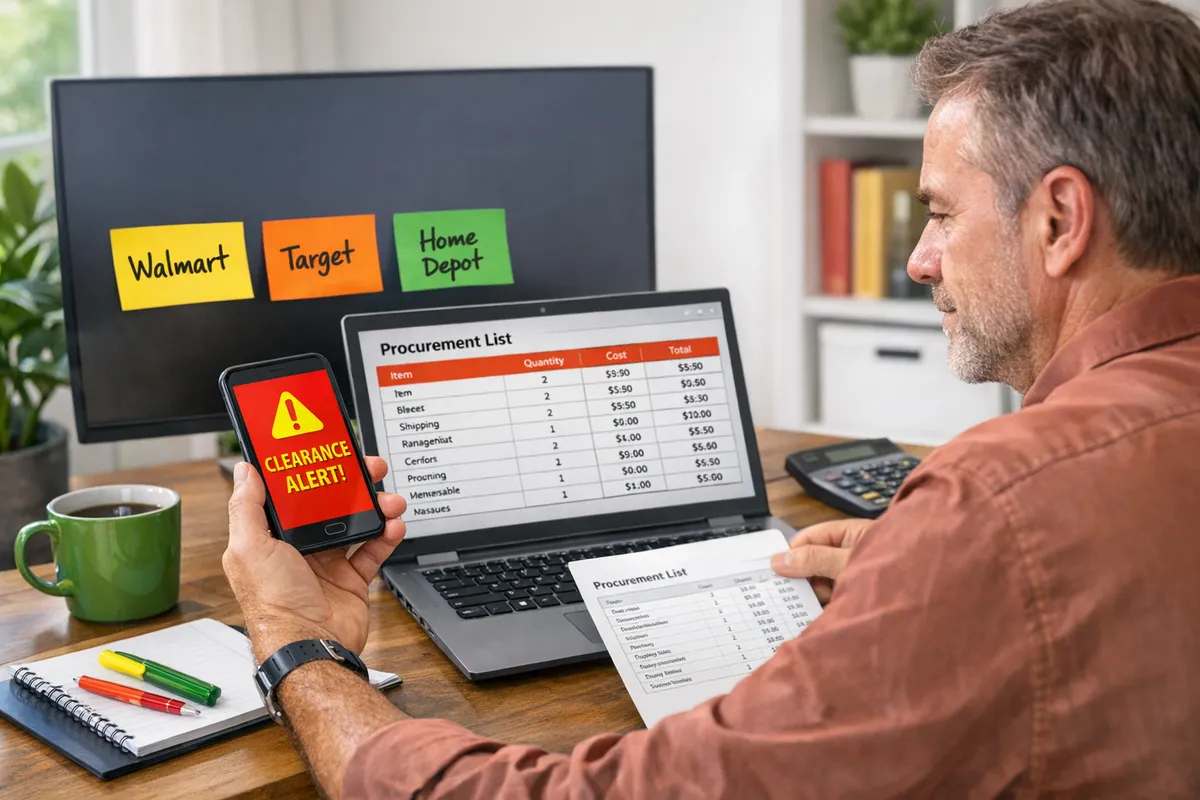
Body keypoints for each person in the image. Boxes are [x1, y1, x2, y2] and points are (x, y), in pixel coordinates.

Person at [222, 0, 1200, 796]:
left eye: (941, 211)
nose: (918, 258)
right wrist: (933, 589)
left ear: (1062, 219)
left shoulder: (999, 506)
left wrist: (298, 650)